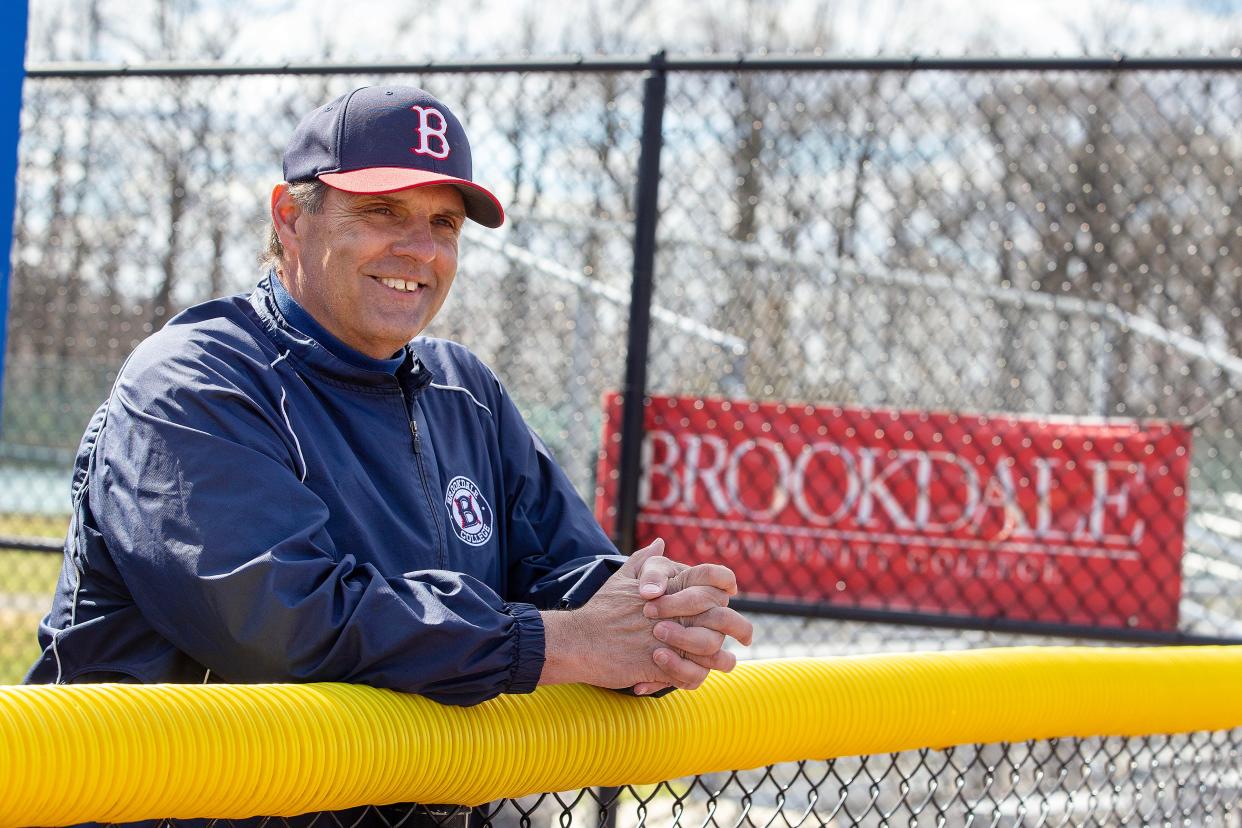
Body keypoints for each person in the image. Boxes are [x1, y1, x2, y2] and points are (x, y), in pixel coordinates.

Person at [27, 86, 752, 822]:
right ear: (290, 218)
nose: (420, 248)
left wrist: (658, 617)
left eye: (443, 223)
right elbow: (283, 623)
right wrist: (559, 643)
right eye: (382, 211)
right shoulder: (196, 377)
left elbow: (569, 577)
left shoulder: (464, 389)